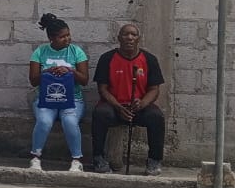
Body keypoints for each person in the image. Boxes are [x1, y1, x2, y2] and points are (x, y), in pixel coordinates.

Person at [91, 24, 166, 175]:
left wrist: (142, 103)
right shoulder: (107, 58)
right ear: (119, 38)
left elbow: (154, 89)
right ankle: (99, 158)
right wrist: (118, 107)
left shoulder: (149, 59)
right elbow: (103, 89)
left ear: (139, 39)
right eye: (125, 34)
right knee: (100, 113)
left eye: (133, 35)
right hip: (114, 107)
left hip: (138, 108)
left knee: (156, 116)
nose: (130, 38)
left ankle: (154, 160)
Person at [27, 12, 90, 173]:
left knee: (69, 121)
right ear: (51, 38)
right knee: (44, 121)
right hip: (45, 99)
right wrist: (47, 72)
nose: (67, 39)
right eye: (62, 37)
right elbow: (33, 80)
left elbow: (84, 80)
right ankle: (35, 157)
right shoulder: (40, 52)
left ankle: (76, 160)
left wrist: (70, 71)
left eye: (68, 35)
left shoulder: (76, 52)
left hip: (73, 99)